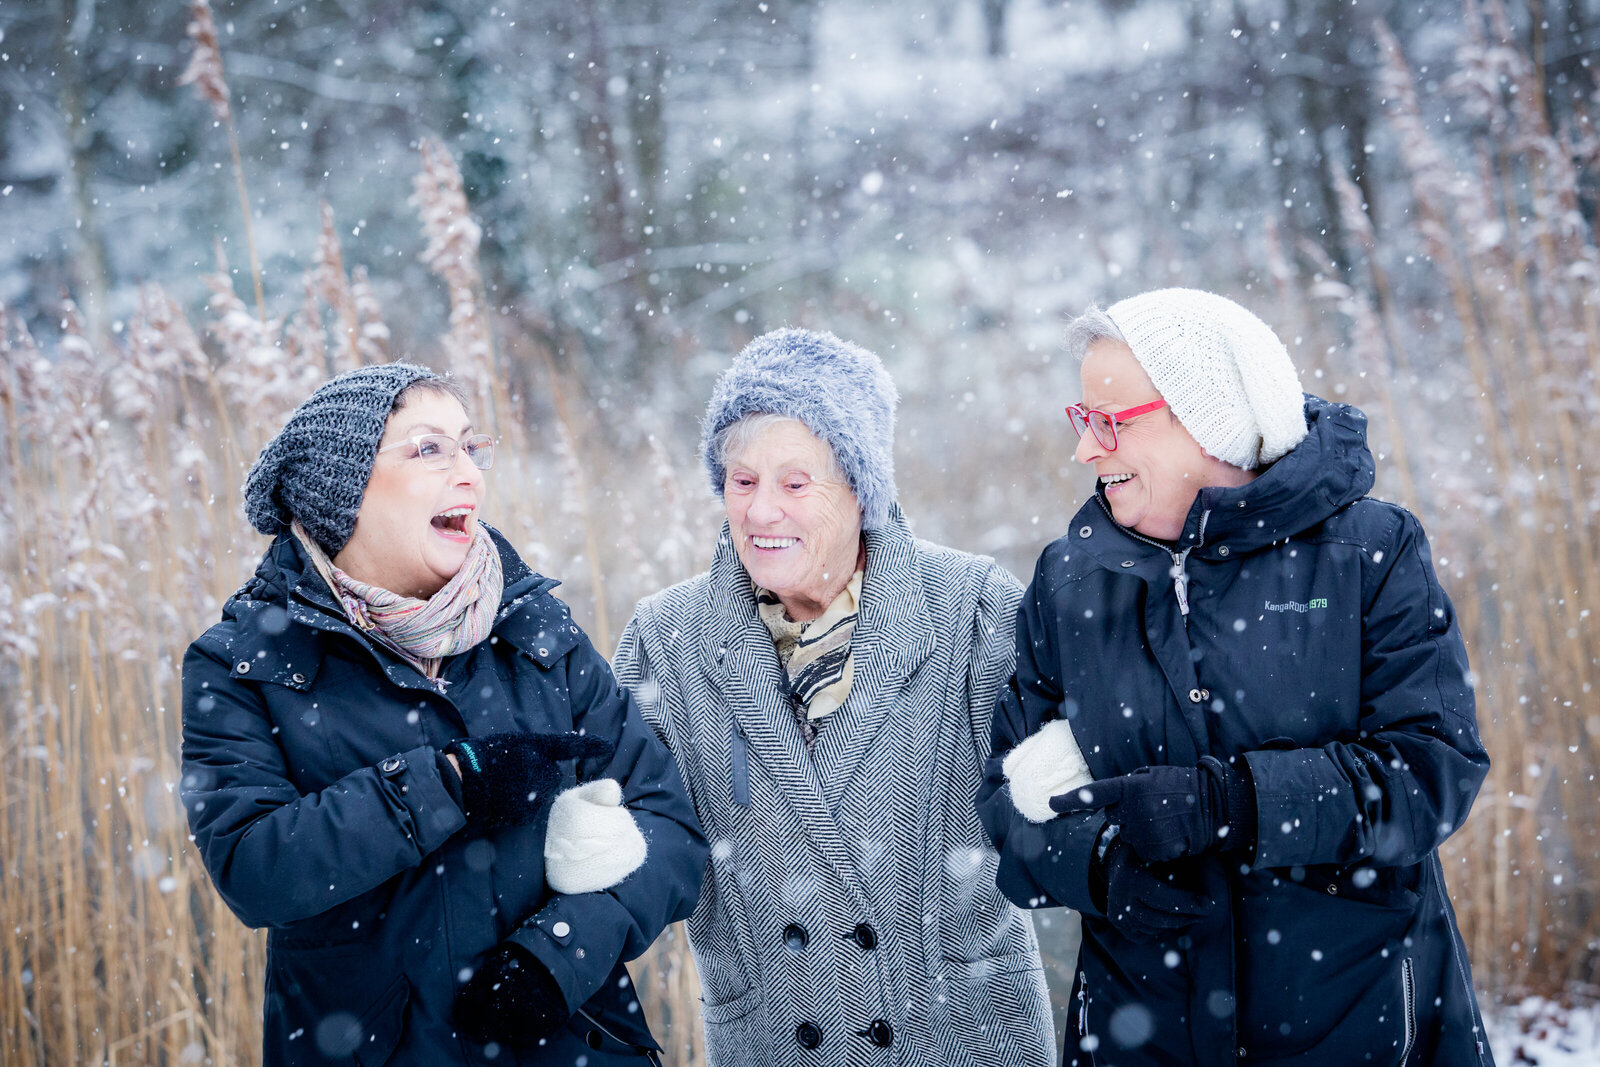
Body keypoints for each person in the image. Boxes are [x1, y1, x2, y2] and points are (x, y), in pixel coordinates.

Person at [977, 288, 1494, 1067]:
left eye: (1110, 422)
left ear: (1206, 416)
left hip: (1357, 1026)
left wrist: (1234, 804)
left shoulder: (1367, 552)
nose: (1086, 451)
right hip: (1137, 1035)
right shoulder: (1070, 581)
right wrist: (1100, 866)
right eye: (1081, 421)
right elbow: (1007, 808)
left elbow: (1432, 772)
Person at [180, 363, 707, 1066]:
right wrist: (446, 785)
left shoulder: (537, 630)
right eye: (429, 449)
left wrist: (558, 954)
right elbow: (254, 865)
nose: (468, 473)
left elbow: (668, 825)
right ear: (344, 492)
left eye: (469, 446)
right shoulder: (248, 661)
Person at [613, 328, 1056, 1066]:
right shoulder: (668, 639)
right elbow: (639, 846)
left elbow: (1054, 815)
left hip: (963, 1040)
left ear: (862, 487)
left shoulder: (972, 610)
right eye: (742, 481)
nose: (760, 512)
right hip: (778, 1045)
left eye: (794, 483)